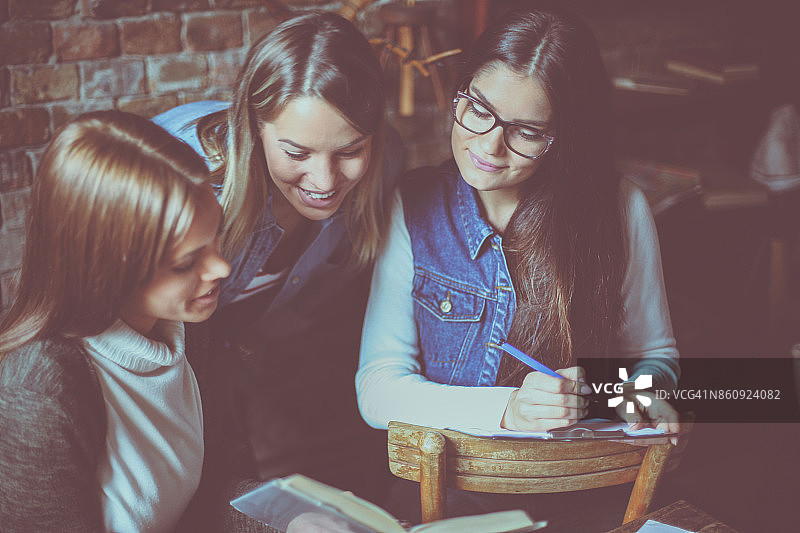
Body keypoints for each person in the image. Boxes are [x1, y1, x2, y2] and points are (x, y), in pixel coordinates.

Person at [356, 5, 681, 527]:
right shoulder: (412, 204)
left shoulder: (620, 209)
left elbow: (656, 357)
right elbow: (376, 390)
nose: (488, 147)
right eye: (477, 110)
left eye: (526, 131)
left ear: (565, 136)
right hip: (449, 496)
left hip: (592, 489)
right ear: (459, 92)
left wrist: (630, 394)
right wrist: (505, 410)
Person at [153, 11, 404, 496]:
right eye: (297, 153)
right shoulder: (189, 175)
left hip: (225, 371)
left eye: (350, 150)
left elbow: (313, 292)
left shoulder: (387, 160)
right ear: (253, 126)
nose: (326, 182)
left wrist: (235, 354)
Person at [0, 111, 233, 532]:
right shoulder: (37, 391)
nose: (222, 268)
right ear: (107, 267)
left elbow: (207, 499)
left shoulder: (194, 328)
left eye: (216, 236)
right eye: (185, 263)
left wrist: (290, 517)